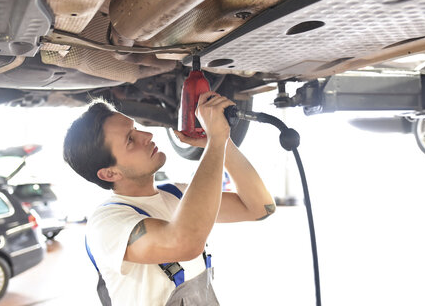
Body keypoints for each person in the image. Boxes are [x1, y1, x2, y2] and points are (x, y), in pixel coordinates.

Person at [63, 91, 275, 306]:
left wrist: (223, 142)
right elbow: (185, 242)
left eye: (136, 129)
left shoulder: (176, 195)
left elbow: (259, 207)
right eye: (130, 139)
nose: (147, 136)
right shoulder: (107, 223)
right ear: (110, 174)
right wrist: (216, 141)